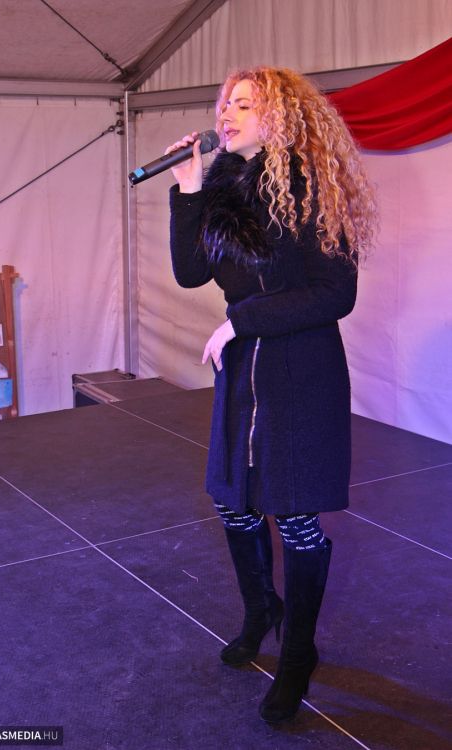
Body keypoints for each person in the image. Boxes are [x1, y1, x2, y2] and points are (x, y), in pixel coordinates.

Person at [166, 66, 376, 723]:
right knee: (233, 503)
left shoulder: (315, 187)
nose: (225, 115)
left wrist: (242, 321)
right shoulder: (227, 184)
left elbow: (335, 294)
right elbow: (190, 272)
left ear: (280, 116)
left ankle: (298, 653)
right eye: (224, 104)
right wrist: (189, 189)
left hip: (299, 370)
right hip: (244, 370)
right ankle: (263, 610)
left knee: (295, 517)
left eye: (243, 105)